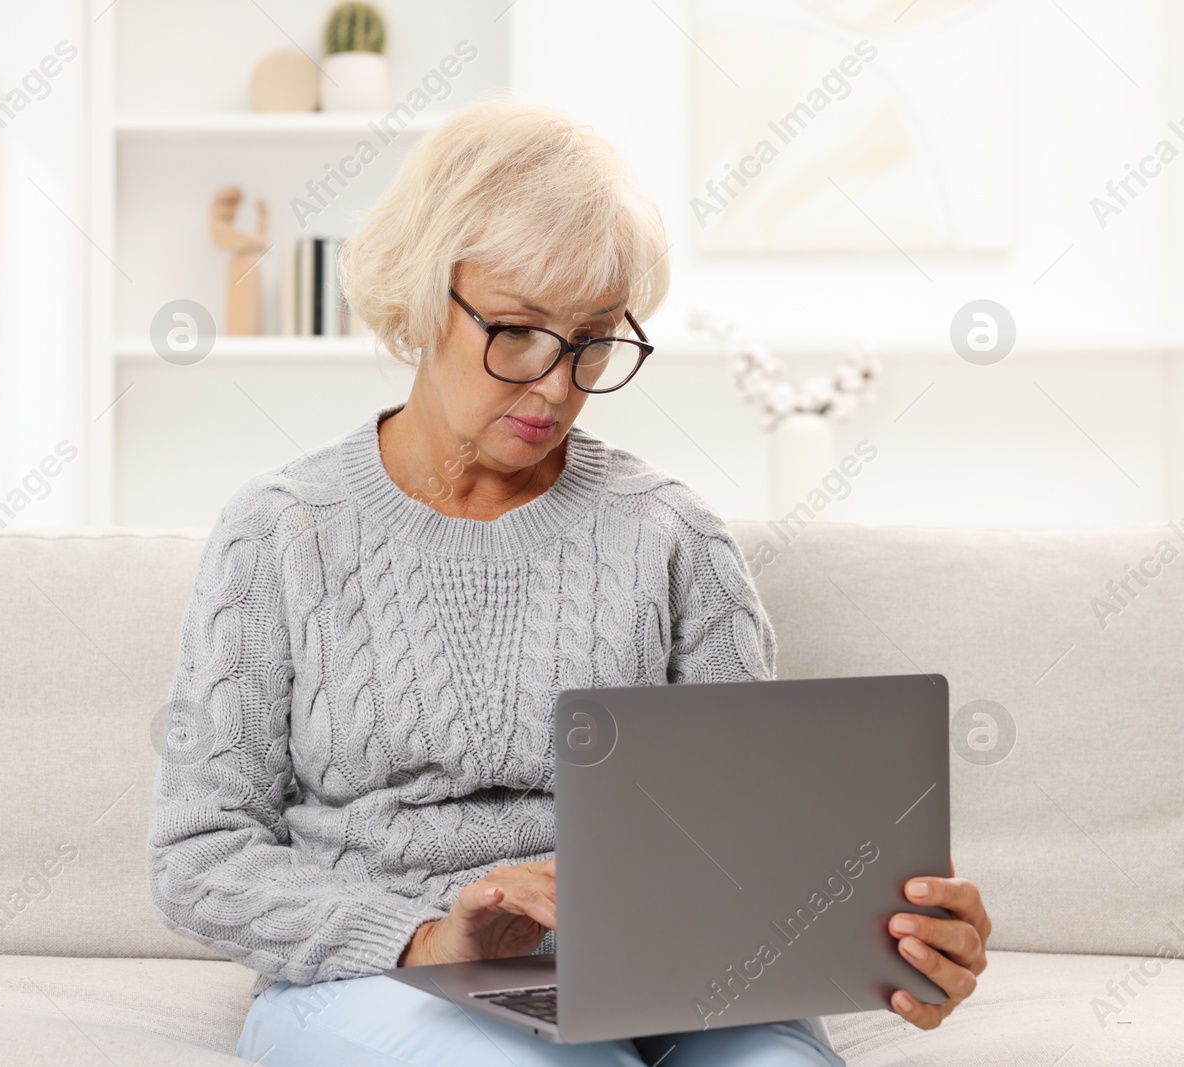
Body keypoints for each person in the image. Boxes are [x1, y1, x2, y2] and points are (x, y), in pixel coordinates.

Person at [147, 93, 990, 1066]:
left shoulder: (669, 534)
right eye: (516, 330)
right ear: (424, 299)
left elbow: (753, 849)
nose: (555, 383)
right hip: (380, 974)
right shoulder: (281, 533)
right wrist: (428, 937)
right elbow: (199, 854)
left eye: (593, 339)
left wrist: (893, 939)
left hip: (669, 972)